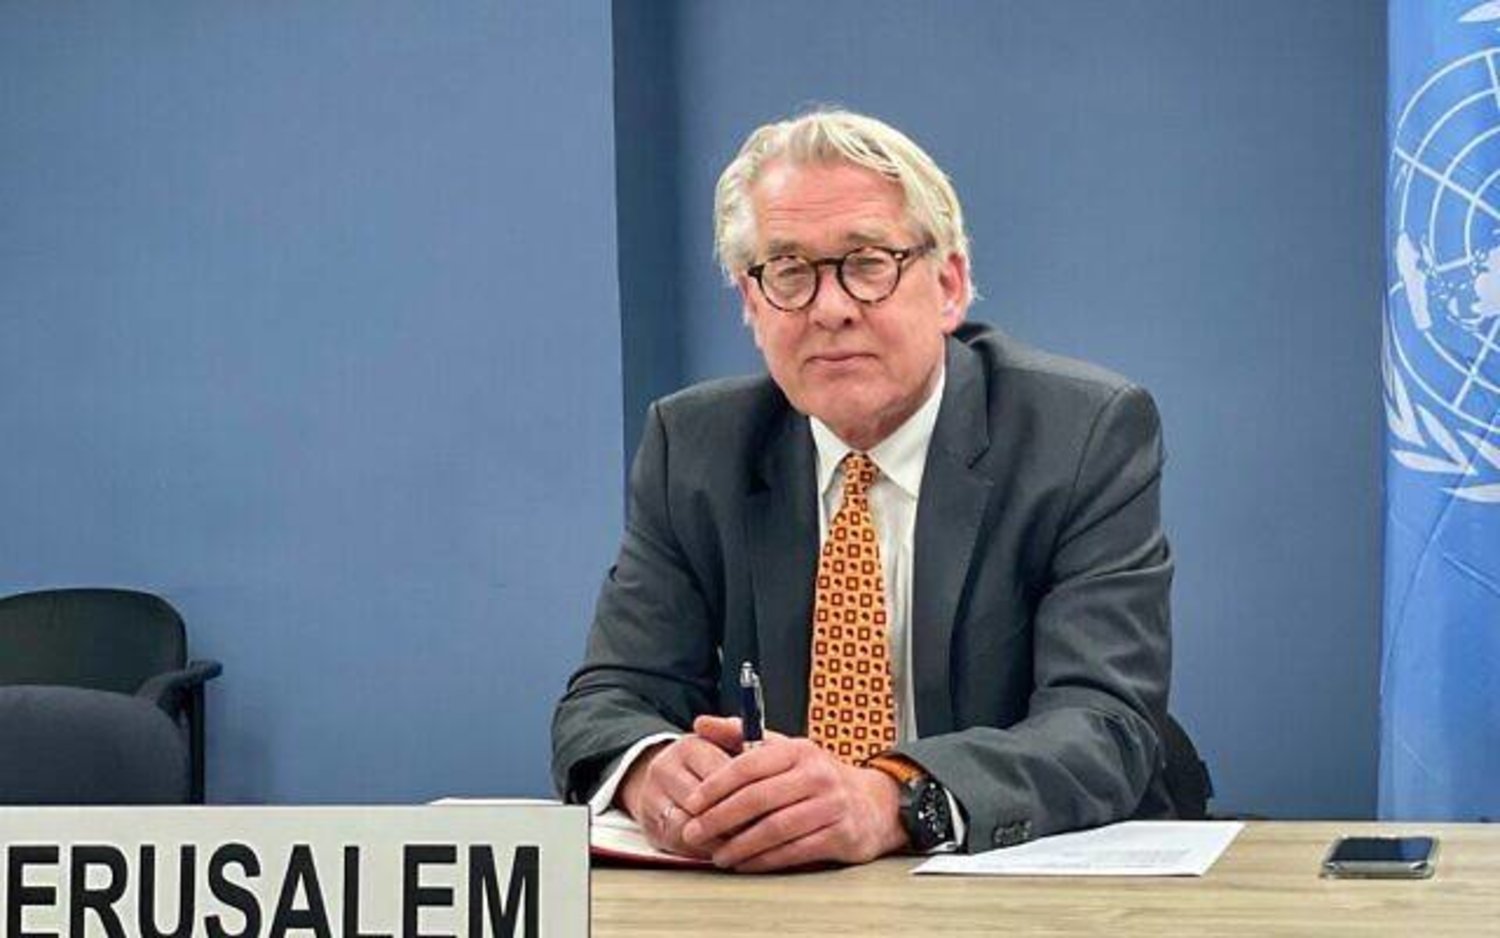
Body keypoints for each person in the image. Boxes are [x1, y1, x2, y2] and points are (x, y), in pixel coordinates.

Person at [551, 109, 1174, 873]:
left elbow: (1104, 721)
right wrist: (654, 770)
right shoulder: (696, 447)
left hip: (1020, 887)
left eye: (868, 263)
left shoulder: (1080, 433)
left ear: (949, 286)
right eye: (789, 271)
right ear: (751, 304)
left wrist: (888, 799)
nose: (831, 308)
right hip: (773, 895)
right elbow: (609, 698)